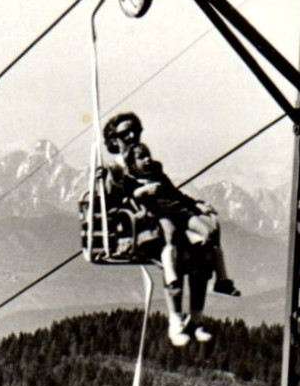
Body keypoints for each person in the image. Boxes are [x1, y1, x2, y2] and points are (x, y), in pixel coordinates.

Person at [100, 112, 240, 346]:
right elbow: (113, 200)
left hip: (170, 215)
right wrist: (138, 193)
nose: (133, 136)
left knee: (204, 250)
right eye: (125, 133)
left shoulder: (149, 164)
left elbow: (172, 192)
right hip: (145, 226)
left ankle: (196, 319)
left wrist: (195, 205)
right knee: (174, 252)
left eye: (136, 130)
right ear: (113, 140)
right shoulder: (115, 170)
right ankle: (176, 320)